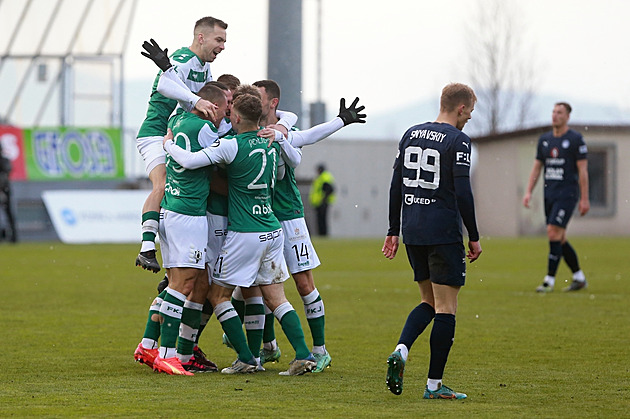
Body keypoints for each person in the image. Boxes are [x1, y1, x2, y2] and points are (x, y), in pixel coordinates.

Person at [163, 91, 316, 376]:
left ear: (235, 117)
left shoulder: (231, 145)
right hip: (272, 229)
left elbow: (192, 161)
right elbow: (293, 159)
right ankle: (304, 355)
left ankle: (246, 358)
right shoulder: (272, 140)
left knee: (218, 295)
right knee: (276, 298)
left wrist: (169, 144)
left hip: (245, 233)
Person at [250, 80, 366, 373]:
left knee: (303, 284)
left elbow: (308, 138)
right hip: (260, 218)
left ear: (272, 103)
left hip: (289, 218)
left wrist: (340, 121)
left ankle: (319, 350)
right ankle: (268, 348)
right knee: (263, 286)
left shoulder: (284, 133)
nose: (253, 100)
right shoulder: (249, 130)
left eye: (258, 97)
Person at [382, 83, 482, 400]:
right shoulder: (458, 140)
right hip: (443, 231)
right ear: (461, 108)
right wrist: (474, 235)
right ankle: (434, 386)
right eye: (470, 112)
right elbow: (463, 192)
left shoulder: (411, 133)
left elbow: (396, 184)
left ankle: (401, 348)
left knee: (428, 301)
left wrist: (393, 229)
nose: (469, 119)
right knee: (447, 309)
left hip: (413, 229)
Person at [133, 83, 229, 375]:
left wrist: (167, 143)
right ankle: (168, 354)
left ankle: (149, 345)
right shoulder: (207, 130)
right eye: (225, 106)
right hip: (189, 215)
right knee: (183, 285)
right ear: (211, 106)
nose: (227, 113)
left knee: (176, 281)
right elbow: (236, 136)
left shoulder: (177, 120)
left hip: (173, 210)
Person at [135, 16, 227, 274]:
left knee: (187, 193)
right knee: (164, 185)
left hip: (177, 133)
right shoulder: (183, 60)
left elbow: (209, 98)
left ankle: (173, 269)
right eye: (218, 40)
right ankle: (146, 248)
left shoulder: (204, 68)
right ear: (201, 37)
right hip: (156, 132)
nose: (222, 47)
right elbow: (165, 84)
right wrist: (195, 101)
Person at [523, 102, 589, 292]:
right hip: (549, 194)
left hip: (567, 194)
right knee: (558, 238)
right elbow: (537, 168)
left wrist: (584, 199)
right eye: (553, 111)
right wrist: (528, 191)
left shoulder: (576, 139)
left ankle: (549, 280)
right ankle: (579, 277)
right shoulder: (545, 140)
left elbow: (583, 171)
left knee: (553, 232)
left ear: (567, 116)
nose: (555, 115)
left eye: (559, 112)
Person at [309, 164, 335, 236]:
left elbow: (329, 189)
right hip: (319, 202)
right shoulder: (322, 177)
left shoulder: (324, 177)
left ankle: (323, 234)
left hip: (322, 202)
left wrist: (324, 200)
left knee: (322, 219)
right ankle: (322, 234)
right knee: (321, 219)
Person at [0, 142, 17, 243]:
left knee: (9, 213)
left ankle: (13, 236)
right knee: (8, 213)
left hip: (4, 189)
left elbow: (6, 174)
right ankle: (12, 236)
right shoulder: (5, 161)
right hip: (5, 189)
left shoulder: (4, 161)